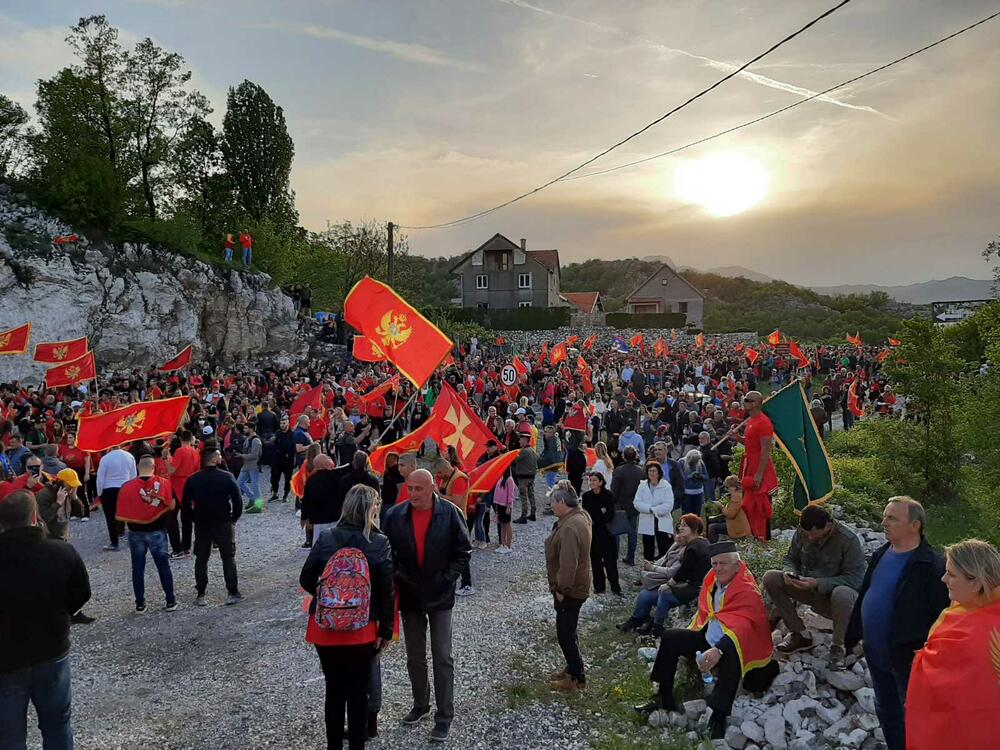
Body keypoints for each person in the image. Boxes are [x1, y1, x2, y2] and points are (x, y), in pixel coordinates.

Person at [638, 542, 779, 740]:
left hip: (734, 644)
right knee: (670, 637)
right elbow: (708, 610)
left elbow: (744, 628)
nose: (718, 568)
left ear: (737, 566)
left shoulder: (747, 590)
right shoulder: (712, 579)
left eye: (724, 564)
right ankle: (664, 696)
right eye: (714, 563)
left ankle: (719, 716)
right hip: (708, 636)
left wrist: (718, 650)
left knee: (733, 657)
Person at [845, 496, 949, 750]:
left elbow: (943, 616)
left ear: (915, 525)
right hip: (876, 651)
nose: (884, 522)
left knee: (913, 715)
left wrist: (928, 653)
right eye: (885, 516)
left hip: (907, 656)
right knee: (886, 710)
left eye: (892, 518)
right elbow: (866, 594)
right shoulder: (882, 553)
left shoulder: (931, 565)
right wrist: (853, 635)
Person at [299, 485, 394, 750]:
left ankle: (333, 746)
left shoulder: (327, 536)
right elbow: (387, 590)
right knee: (358, 692)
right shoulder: (379, 541)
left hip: (326, 627)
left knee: (334, 690)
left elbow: (306, 578)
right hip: (362, 628)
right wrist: (385, 630)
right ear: (371, 509)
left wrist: (329, 597)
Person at [381, 469, 471, 743]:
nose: (413, 494)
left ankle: (444, 716)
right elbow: (386, 552)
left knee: (443, 656)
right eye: (410, 488)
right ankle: (421, 704)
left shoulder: (450, 513)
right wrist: (399, 577)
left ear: (432, 487)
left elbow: (463, 550)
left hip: (440, 595)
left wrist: (447, 579)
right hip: (410, 596)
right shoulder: (395, 516)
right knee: (415, 656)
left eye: (419, 489)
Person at [0, 490, 91, 750]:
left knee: (9, 734)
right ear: (34, 517)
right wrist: (62, 613)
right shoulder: (61, 552)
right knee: (57, 724)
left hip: (5, 658)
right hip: (52, 649)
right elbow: (81, 594)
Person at [906, 539, 1000, 750]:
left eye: (952, 574)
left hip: (965, 735)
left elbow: (950, 691)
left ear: (976, 584)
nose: (943, 578)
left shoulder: (971, 630)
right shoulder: (977, 611)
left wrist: (924, 658)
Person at [762, 504, 865, 668]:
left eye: (814, 534)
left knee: (842, 593)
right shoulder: (803, 531)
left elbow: (856, 579)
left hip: (835, 599)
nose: (809, 538)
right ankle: (800, 634)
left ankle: (839, 646)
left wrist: (818, 583)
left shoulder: (848, 540)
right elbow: (790, 558)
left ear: (828, 526)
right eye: (806, 533)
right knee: (771, 578)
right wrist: (789, 573)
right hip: (807, 588)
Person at [618, 514, 711, 638]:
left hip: (695, 587)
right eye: (680, 525)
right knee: (646, 595)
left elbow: (683, 571)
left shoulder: (694, 546)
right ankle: (639, 620)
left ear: (694, 529)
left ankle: (657, 628)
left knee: (664, 594)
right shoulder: (694, 544)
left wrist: (668, 584)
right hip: (688, 583)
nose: (681, 528)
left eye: (685, 526)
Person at [545, 484, 592, 692]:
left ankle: (575, 678)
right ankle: (574, 668)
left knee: (565, 634)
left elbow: (568, 563)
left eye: (553, 502)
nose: (551, 506)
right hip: (577, 585)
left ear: (563, 502)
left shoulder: (571, 527)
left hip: (570, 589)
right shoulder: (579, 516)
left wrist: (561, 589)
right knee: (569, 631)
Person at [183, 448, 244, 606]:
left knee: (201, 558)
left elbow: (185, 505)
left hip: (202, 523)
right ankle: (232, 591)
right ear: (214, 459)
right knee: (228, 557)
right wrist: (233, 518)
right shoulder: (227, 477)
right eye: (218, 455)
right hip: (223, 522)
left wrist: (194, 518)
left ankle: (201, 593)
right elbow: (238, 501)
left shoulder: (193, 479)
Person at [116, 455, 177, 613]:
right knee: (163, 566)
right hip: (157, 531)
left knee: (137, 568)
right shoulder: (163, 483)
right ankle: (170, 600)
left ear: (137, 467)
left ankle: (140, 604)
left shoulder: (126, 487)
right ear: (153, 467)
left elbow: (122, 509)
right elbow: (171, 505)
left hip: (136, 532)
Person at [736, 391, 777, 540]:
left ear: (757, 403)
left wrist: (759, 474)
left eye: (748, 400)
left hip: (759, 467)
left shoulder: (763, 422)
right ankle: (753, 534)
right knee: (749, 504)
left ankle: (764, 537)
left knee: (761, 505)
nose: (744, 402)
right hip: (750, 464)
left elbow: (766, 450)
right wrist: (738, 438)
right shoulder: (750, 421)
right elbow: (750, 444)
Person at [580, 472, 620, 595]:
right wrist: (600, 514)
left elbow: (610, 515)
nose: (591, 482)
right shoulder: (586, 496)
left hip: (607, 533)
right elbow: (586, 514)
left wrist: (597, 517)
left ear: (601, 482)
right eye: (590, 480)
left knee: (610, 562)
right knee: (595, 561)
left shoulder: (608, 495)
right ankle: (599, 586)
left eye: (594, 480)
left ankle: (615, 587)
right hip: (593, 533)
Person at [96, 443, 137, 551]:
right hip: (125, 487)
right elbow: (133, 475)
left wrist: (99, 492)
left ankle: (114, 543)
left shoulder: (105, 458)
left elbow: (100, 477)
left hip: (108, 489)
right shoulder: (129, 456)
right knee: (129, 515)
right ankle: (134, 540)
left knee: (110, 517)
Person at [633, 460, 674, 561]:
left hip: (662, 520)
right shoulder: (642, 486)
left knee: (665, 546)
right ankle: (648, 565)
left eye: (654, 471)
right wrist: (649, 509)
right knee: (648, 546)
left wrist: (655, 510)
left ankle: (664, 568)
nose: (651, 473)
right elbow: (637, 503)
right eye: (650, 471)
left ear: (659, 472)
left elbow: (668, 505)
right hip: (647, 520)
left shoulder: (666, 486)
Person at [611, 446, 644, 566]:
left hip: (620, 504)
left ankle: (614, 556)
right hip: (635, 505)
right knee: (632, 531)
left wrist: (612, 502)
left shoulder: (619, 470)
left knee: (615, 531)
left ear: (623, 456)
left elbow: (614, 490)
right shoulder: (641, 471)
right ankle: (631, 557)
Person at [35, 468, 84, 542]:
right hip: (49, 539)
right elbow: (44, 518)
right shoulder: (44, 495)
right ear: (60, 482)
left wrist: (75, 498)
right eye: (70, 485)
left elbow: (80, 513)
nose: (72, 487)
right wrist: (58, 503)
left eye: (74, 485)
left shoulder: (67, 492)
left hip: (63, 537)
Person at [706, 475, 751, 543]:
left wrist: (720, 506)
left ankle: (713, 548)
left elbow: (730, 515)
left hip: (738, 527)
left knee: (713, 528)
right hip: (734, 523)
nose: (727, 490)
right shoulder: (737, 495)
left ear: (733, 487)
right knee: (711, 521)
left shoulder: (736, 497)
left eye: (727, 487)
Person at [512, 427, 538, 523]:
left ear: (525, 440)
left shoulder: (523, 451)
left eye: (521, 439)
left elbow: (515, 460)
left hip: (523, 476)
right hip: (531, 476)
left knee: (523, 496)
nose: (519, 441)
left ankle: (523, 516)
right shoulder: (532, 451)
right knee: (531, 495)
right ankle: (533, 513)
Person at [236, 419, 263, 513]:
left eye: (246, 428)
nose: (244, 429)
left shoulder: (256, 440)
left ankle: (259, 506)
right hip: (246, 465)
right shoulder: (248, 439)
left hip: (253, 466)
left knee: (255, 486)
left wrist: (241, 456)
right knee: (239, 483)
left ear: (251, 429)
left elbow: (255, 455)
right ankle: (252, 498)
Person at [269, 415, 295, 502]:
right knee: (274, 478)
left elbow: (293, 447)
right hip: (277, 460)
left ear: (288, 423)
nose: (282, 425)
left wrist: (289, 454)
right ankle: (275, 493)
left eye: (284, 423)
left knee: (288, 479)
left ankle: (285, 495)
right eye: (281, 423)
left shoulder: (292, 434)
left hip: (288, 461)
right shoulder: (277, 433)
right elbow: (273, 444)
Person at [680, 448, 707, 516]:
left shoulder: (700, 462)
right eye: (693, 462)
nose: (695, 463)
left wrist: (700, 476)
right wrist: (690, 476)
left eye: (696, 461)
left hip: (698, 491)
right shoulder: (682, 462)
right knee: (687, 514)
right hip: (686, 492)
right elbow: (680, 478)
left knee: (697, 514)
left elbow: (707, 476)